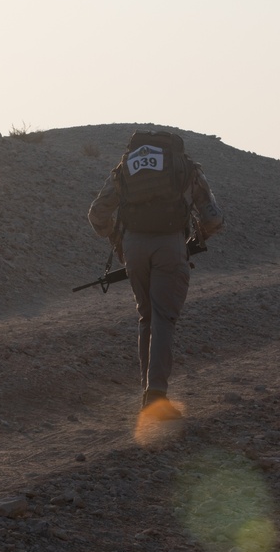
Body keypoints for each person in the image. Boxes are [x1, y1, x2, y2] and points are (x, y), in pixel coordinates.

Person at [88, 130, 224, 420]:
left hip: (133, 247)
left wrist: (117, 241)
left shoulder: (125, 167)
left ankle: (148, 393)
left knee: (146, 317)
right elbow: (212, 218)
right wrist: (196, 241)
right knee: (163, 318)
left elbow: (98, 213)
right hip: (171, 246)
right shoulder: (185, 168)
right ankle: (156, 397)